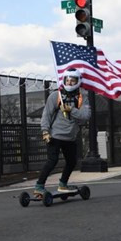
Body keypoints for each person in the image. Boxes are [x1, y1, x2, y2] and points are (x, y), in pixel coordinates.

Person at [33, 68, 91, 198]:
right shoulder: (56, 96)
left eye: (72, 81)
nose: (69, 83)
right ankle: (39, 186)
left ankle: (63, 184)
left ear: (78, 81)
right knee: (52, 161)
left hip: (70, 137)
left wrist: (71, 110)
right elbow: (46, 115)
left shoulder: (82, 98)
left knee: (71, 161)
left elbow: (86, 116)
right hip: (55, 136)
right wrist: (45, 131)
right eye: (67, 80)